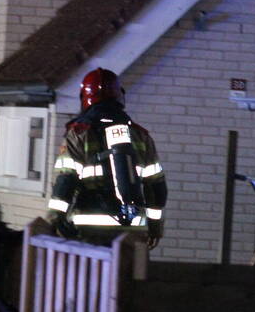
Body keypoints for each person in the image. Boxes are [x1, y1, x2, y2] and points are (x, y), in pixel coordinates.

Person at [46, 68, 166, 249]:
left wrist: (55, 220)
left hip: (90, 232)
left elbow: (66, 181)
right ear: (119, 95)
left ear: (85, 98)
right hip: (133, 233)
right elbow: (157, 189)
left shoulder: (79, 134)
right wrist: (155, 228)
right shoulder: (140, 136)